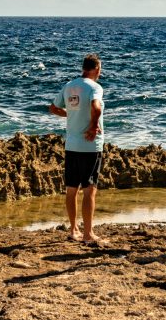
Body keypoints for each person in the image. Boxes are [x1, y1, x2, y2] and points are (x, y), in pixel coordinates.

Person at [49, 54, 106, 245]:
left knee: (71, 189)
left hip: (71, 145)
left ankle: (74, 230)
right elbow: (96, 108)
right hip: (90, 146)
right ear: (97, 69)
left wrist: (72, 115)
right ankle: (88, 234)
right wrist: (92, 125)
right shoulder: (95, 87)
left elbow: (54, 108)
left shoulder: (69, 86)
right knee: (90, 190)